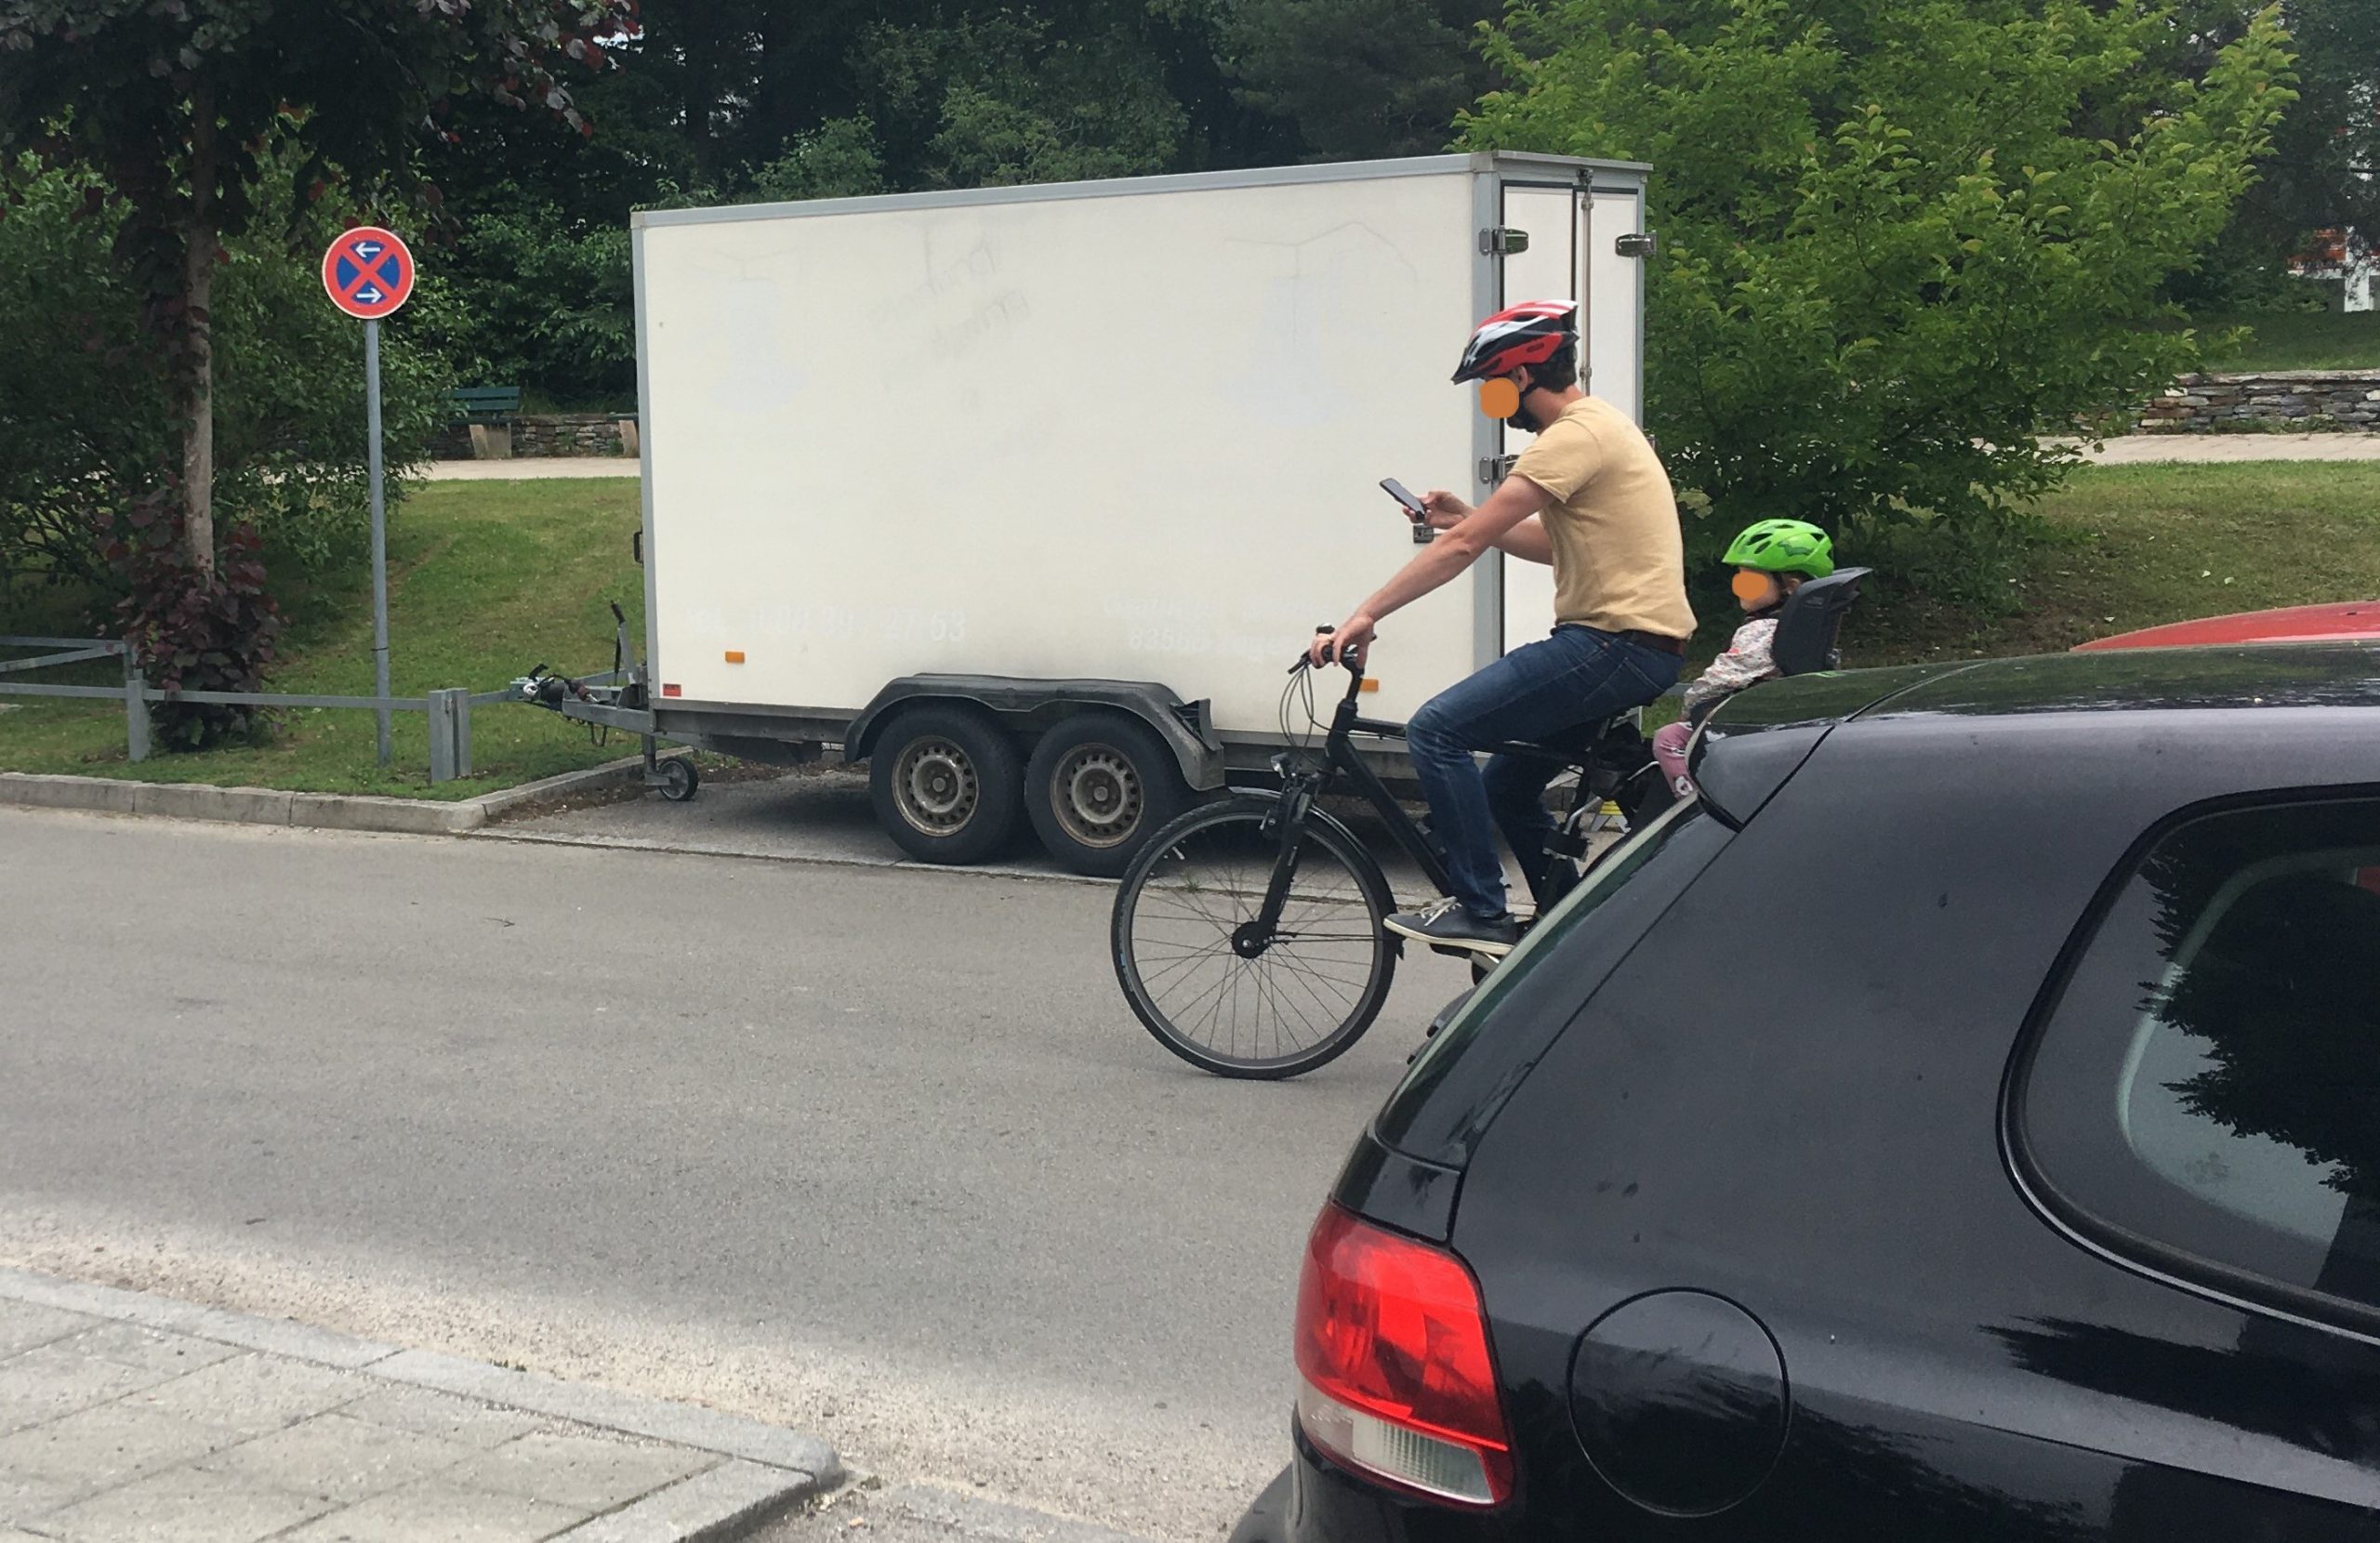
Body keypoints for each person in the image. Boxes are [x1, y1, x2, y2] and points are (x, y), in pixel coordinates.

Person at [1306, 299, 1694, 956]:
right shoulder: (1597, 428)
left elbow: (1461, 552)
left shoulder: (1572, 435)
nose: (1491, 400)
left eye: (1490, 384)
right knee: (1506, 787)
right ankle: (1568, 932)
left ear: (1519, 375)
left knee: (1437, 729)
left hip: (1611, 644)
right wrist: (1465, 516)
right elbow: (1550, 544)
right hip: (1633, 647)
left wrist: (1367, 611)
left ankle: (1480, 910)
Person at [1650, 519, 1835, 798]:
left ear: (1791, 586)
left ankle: (1695, 806)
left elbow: (1722, 677)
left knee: (1668, 739)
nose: (1740, 587)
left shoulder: (1762, 630)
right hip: (1776, 715)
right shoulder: (1808, 628)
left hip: (1741, 720)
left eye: (1751, 581)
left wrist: (1689, 707)